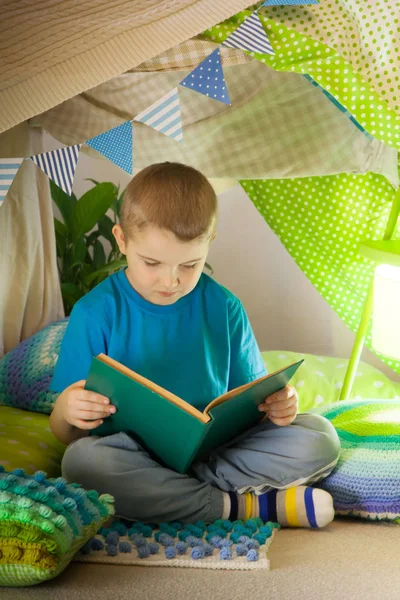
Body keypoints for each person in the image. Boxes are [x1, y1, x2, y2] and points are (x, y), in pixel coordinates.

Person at [49, 162, 341, 528]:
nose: (170, 281)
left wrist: (280, 405)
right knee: (81, 463)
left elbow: (253, 403)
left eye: (190, 264)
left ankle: (174, 496)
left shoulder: (225, 307)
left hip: (216, 455)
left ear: (209, 244)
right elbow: (66, 433)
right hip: (131, 457)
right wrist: (66, 410)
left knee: (320, 436)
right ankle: (243, 508)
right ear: (122, 240)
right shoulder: (94, 312)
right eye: (152, 262)